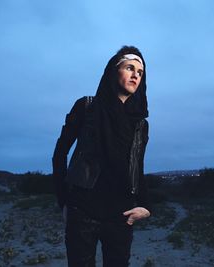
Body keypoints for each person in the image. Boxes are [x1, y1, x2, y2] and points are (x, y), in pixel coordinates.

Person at [52, 46, 150, 267]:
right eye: (129, 67)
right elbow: (60, 153)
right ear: (114, 71)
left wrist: (146, 205)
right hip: (83, 210)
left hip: (122, 215)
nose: (135, 75)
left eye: (140, 72)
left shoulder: (140, 123)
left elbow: (137, 166)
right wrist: (64, 202)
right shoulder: (87, 107)